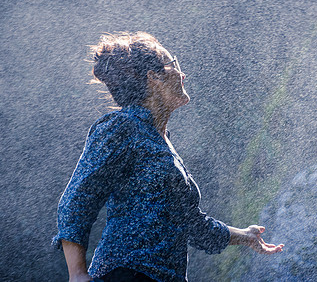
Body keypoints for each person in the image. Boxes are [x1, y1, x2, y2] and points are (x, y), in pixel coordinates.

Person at [52, 32, 284, 282]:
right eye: (174, 64)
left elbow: (193, 225)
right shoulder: (122, 126)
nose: (183, 74)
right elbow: (77, 199)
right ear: (154, 78)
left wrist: (245, 236)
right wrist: (76, 274)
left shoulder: (161, 143)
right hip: (126, 273)